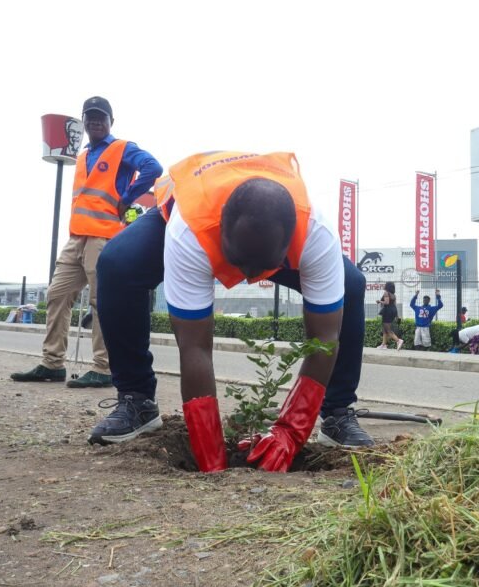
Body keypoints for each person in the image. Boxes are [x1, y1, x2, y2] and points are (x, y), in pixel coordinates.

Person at [87, 151, 375, 474]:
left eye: (261, 269)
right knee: (117, 264)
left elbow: (325, 338)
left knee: (351, 284)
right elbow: (194, 347)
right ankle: (137, 400)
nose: (247, 276)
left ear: (288, 244)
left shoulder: (316, 234)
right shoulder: (189, 231)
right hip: (188, 210)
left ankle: (336, 413)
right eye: (239, 263)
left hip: (259, 233)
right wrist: (211, 459)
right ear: (222, 225)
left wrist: (292, 432)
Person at [11, 97, 161, 388]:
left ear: (111, 122)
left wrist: (126, 198)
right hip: (77, 238)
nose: (95, 122)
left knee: (100, 302)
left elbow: (153, 168)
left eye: (100, 117)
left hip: (103, 236)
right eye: (90, 117)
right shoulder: (82, 156)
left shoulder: (122, 148)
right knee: (57, 294)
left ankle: (103, 368)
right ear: (84, 122)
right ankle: (52, 363)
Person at [376, 281, 403, 349]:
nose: (384, 285)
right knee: (384, 329)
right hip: (393, 311)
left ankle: (398, 340)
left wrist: (379, 301)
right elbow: (394, 305)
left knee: (388, 329)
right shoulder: (393, 295)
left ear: (387, 286)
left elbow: (386, 302)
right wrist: (397, 316)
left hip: (387, 311)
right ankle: (383, 345)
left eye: (385, 284)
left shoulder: (386, 293)